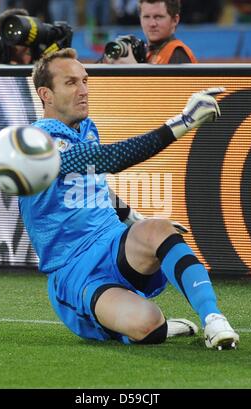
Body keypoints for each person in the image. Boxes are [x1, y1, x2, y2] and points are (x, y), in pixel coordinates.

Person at [19, 47, 239, 350]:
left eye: (85, 81)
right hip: (73, 270)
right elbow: (109, 159)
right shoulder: (37, 143)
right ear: (45, 94)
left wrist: (133, 219)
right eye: (71, 83)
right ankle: (143, 327)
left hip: (111, 241)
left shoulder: (85, 127)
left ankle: (214, 319)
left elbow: (93, 184)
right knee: (147, 325)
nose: (83, 90)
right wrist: (184, 122)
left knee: (158, 228)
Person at [105, 0, 197, 64]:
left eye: (158, 17)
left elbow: (172, 92)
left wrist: (133, 71)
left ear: (175, 20)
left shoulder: (177, 53)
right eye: (146, 17)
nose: (152, 24)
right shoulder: (149, 53)